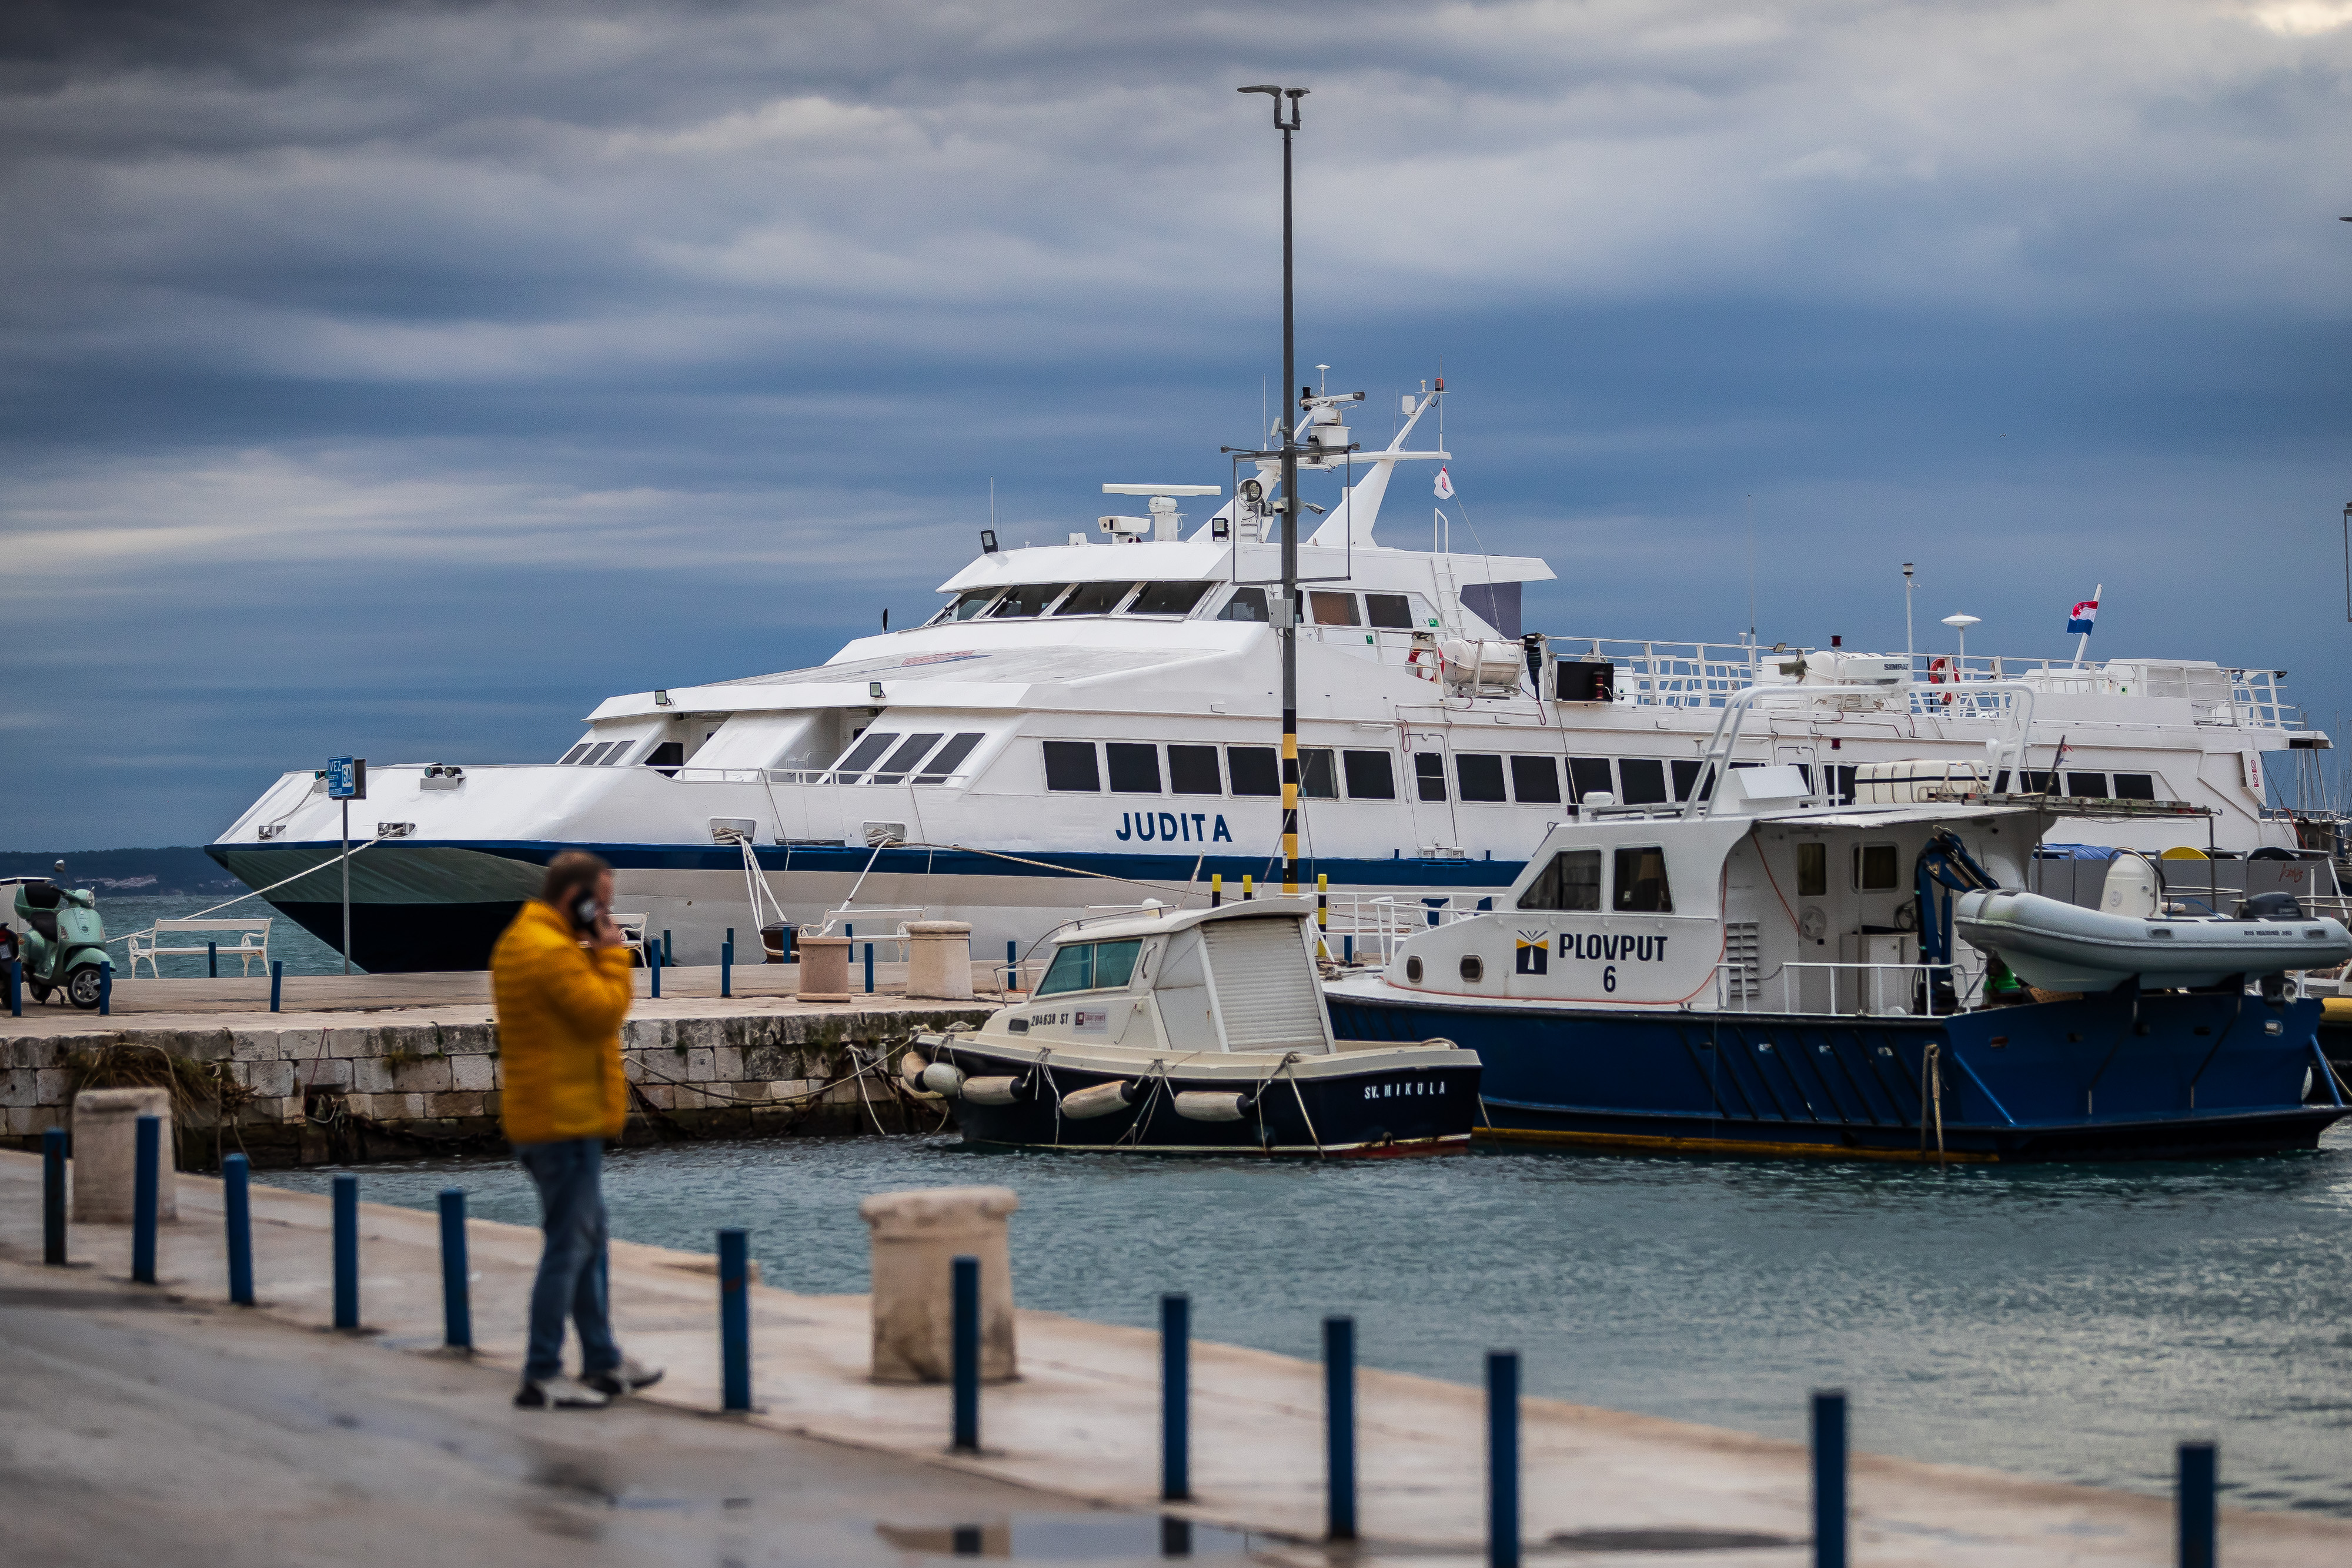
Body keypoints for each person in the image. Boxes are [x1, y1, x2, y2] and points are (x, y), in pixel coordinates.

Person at [493, 850, 663, 1410]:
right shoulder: (549, 951)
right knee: (569, 1248)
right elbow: (601, 1012)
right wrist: (613, 954)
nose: (607, 916)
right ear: (577, 899)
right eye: (602, 905)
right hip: (560, 1122)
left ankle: (602, 1360)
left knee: (588, 1244)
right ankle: (542, 1372)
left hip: (557, 1116)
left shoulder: (528, 939)